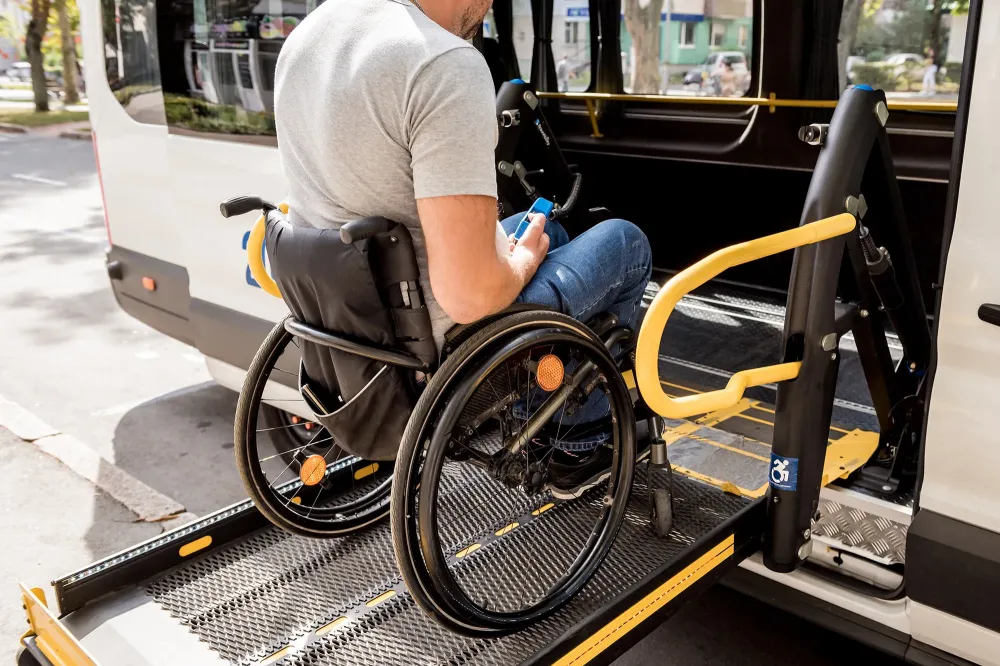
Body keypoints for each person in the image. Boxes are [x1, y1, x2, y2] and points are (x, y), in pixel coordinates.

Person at [273, 0, 651, 467]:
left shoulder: (310, 34)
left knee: (549, 227)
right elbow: (470, 298)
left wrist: (511, 255)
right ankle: (580, 440)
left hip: (353, 322)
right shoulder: (443, 63)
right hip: (440, 342)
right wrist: (521, 264)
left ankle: (543, 403)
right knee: (625, 242)